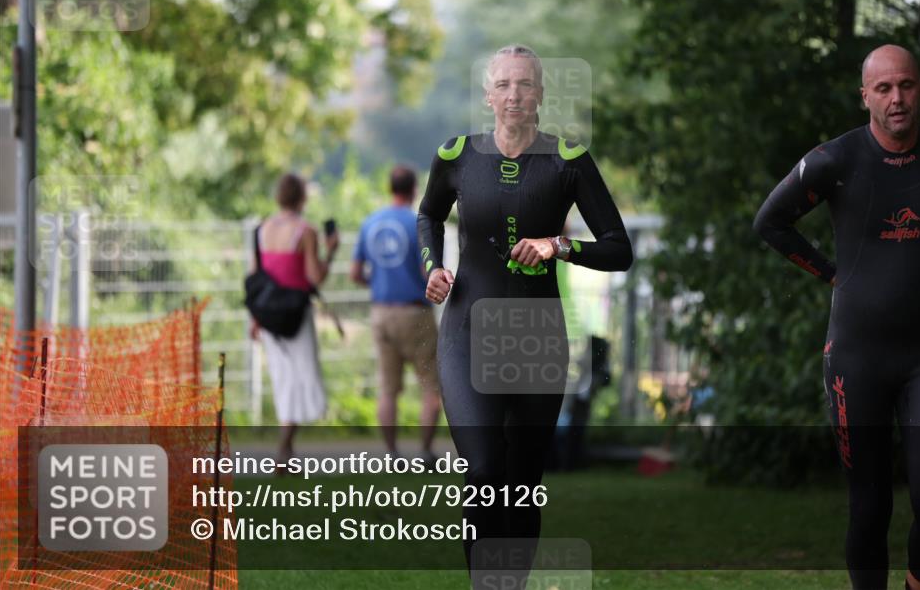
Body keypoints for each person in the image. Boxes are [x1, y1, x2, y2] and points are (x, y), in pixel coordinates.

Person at [753, 44, 920, 590]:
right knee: (870, 506)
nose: (896, 99)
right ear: (864, 95)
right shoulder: (834, 162)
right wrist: (830, 273)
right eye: (883, 89)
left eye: (906, 86)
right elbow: (770, 222)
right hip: (855, 358)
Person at [418, 44, 633, 581]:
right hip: (468, 332)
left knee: (521, 480)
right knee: (485, 471)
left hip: (537, 336)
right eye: (504, 85)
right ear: (488, 96)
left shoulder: (568, 159)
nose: (515, 95)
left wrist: (559, 247)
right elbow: (428, 215)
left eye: (526, 84)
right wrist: (431, 267)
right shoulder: (457, 156)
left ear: (541, 94)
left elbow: (618, 247)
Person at [351, 165, 441, 460]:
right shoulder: (418, 223)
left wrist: (376, 282)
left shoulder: (370, 223)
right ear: (414, 189)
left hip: (381, 312)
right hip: (415, 313)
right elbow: (425, 271)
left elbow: (355, 273)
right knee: (432, 387)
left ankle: (391, 453)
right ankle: (426, 452)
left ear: (391, 188)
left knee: (388, 390)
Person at [251, 173, 339, 465]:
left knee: (282, 378)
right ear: (302, 198)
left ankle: (287, 453)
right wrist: (332, 252)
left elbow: (255, 277)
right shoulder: (306, 232)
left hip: (268, 316)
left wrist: (255, 318)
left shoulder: (261, 229)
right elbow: (316, 277)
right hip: (295, 315)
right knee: (302, 378)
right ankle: (283, 449)